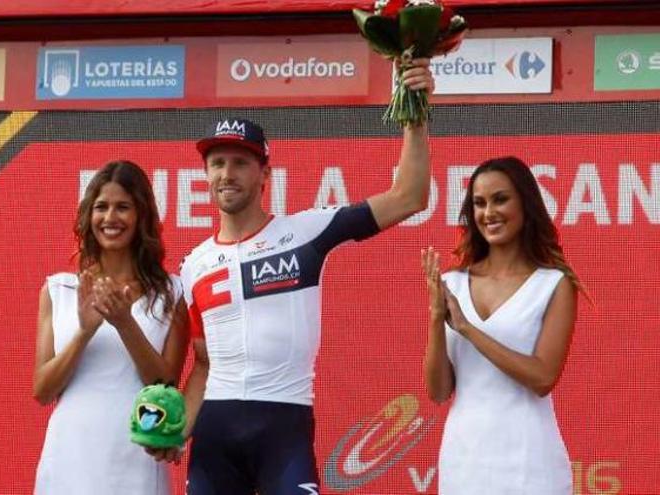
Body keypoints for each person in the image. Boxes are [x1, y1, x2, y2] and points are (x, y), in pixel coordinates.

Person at [148, 59, 435, 493]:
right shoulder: (194, 265)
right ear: (205, 174)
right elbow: (203, 363)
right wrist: (180, 429)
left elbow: (409, 196)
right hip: (216, 434)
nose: (227, 174)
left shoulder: (305, 231)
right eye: (217, 163)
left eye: (241, 163)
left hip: (283, 426)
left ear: (265, 174)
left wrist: (415, 111)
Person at [421, 156, 582, 494]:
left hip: (530, 462)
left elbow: (542, 377)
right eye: (479, 203)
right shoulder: (452, 283)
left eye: (500, 199)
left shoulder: (554, 284)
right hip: (463, 461)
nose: (488, 213)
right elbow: (438, 392)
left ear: (526, 204)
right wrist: (437, 320)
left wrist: (466, 328)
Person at [32, 160, 189, 494]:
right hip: (70, 455)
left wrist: (124, 323)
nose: (110, 218)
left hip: (138, 454)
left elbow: (165, 386)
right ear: (89, 216)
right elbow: (43, 391)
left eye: (123, 207)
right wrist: (84, 332)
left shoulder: (172, 292)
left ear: (142, 215)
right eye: (101, 207)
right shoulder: (58, 290)